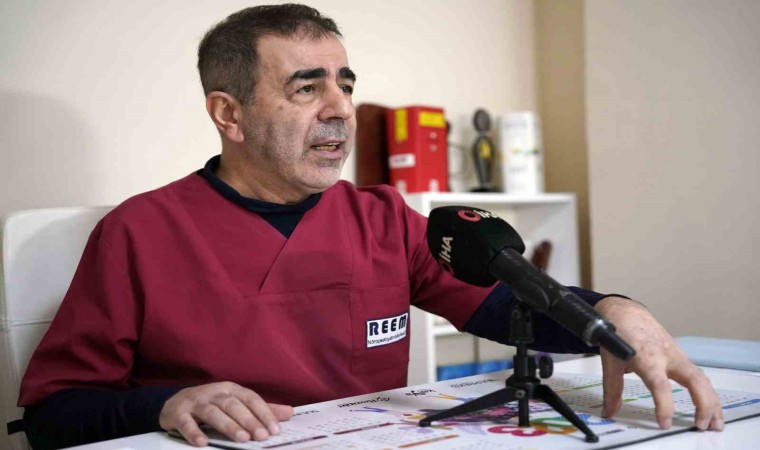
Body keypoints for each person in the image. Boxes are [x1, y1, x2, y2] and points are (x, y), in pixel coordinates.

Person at [17, 4, 723, 449]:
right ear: (229, 114)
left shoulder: (382, 217)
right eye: (307, 87)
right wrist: (165, 404)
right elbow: (53, 415)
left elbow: (510, 307)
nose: (340, 109)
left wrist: (612, 312)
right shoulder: (140, 233)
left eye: (345, 84)